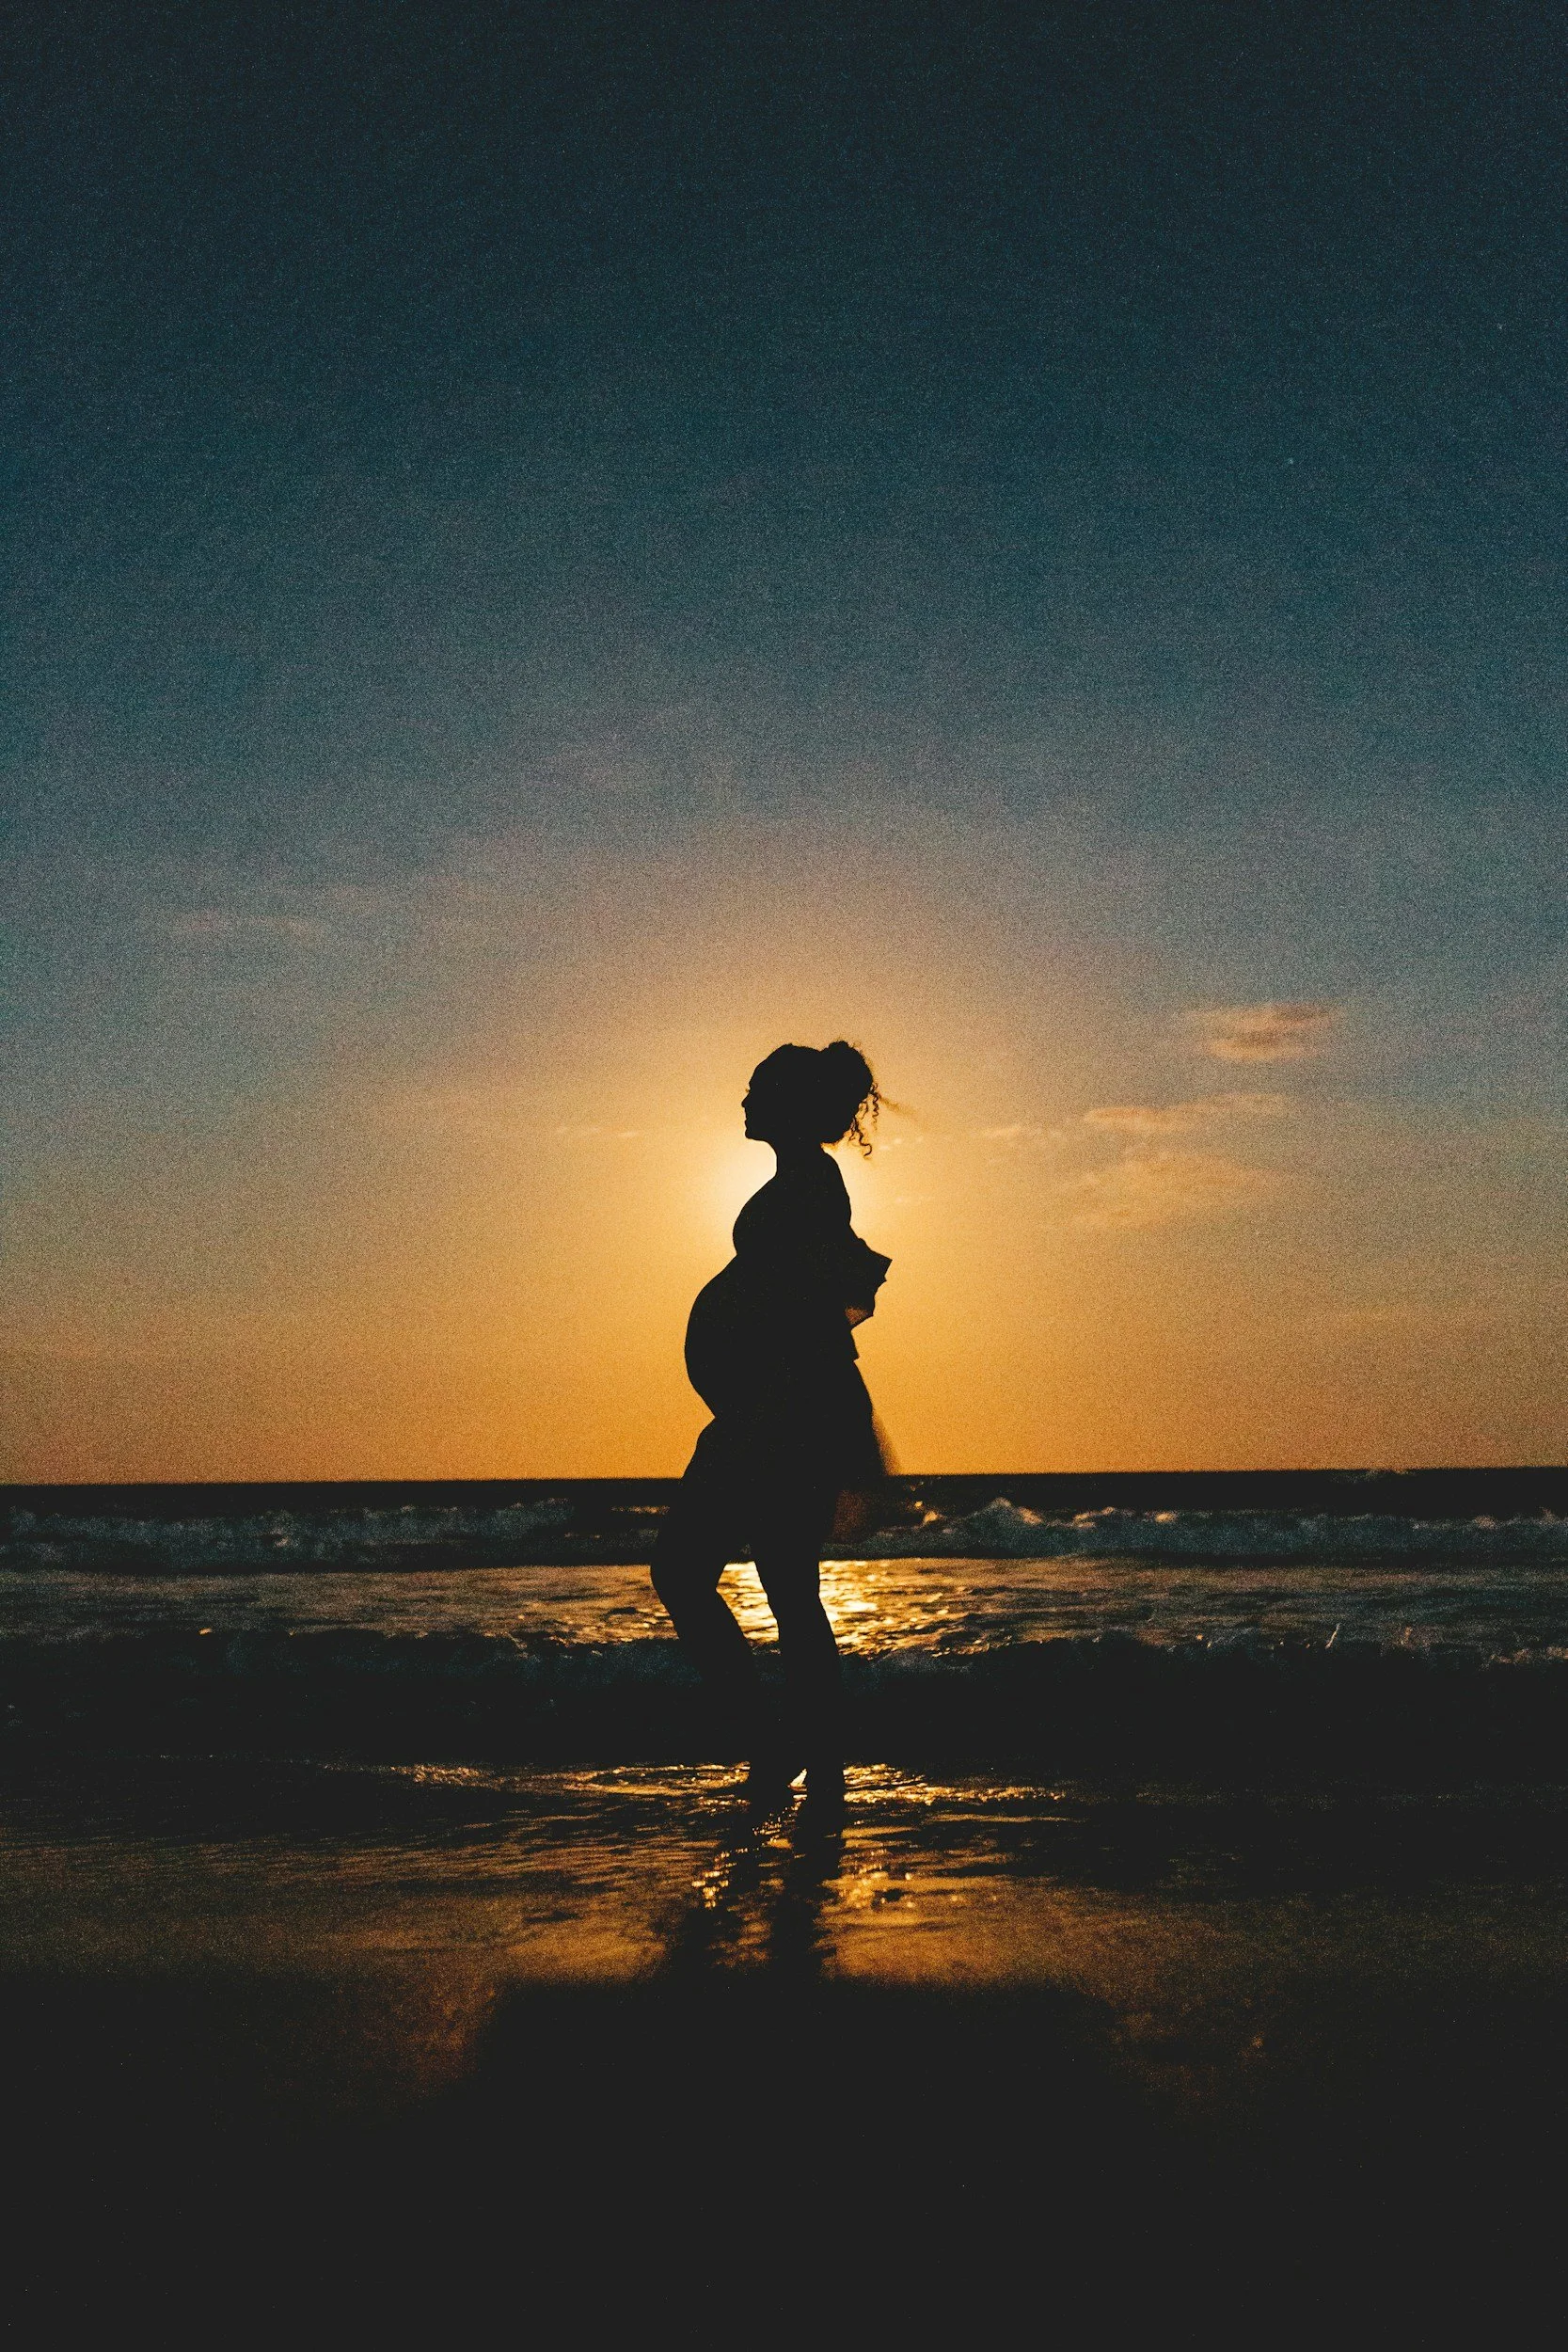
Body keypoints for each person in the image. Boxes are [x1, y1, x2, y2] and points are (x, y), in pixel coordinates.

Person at [651, 1041, 892, 1804]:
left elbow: (807, 1305)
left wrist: (765, 1392)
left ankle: (776, 1747)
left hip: (776, 1416)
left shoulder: (811, 1186)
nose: (745, 1103)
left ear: (786, 1104)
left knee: (687, 1573)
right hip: (775, 1412)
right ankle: (809, 1763)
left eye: (756, 1091)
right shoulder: (800, 1182)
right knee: (784, 1589)